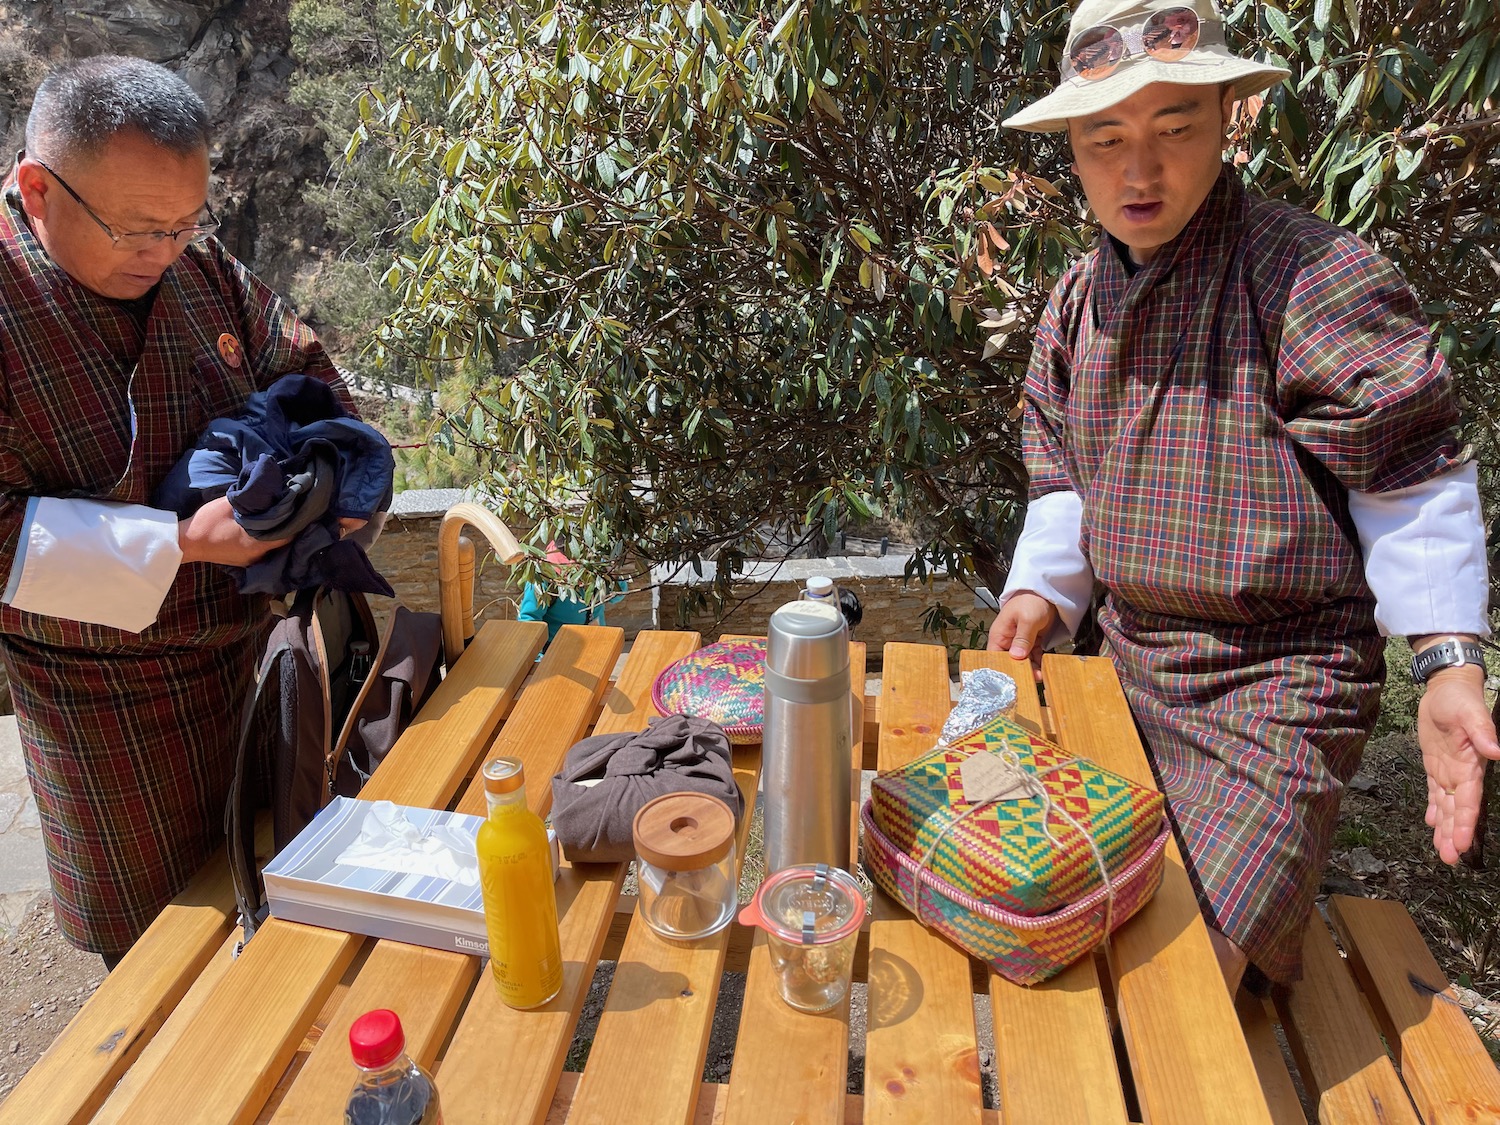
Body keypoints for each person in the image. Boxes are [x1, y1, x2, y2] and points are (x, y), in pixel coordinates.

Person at [989, 0, 1497, 994]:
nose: (1141, 171)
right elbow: (1061, 472)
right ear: (1074, 153)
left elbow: (1411, 475)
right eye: (1107, 140)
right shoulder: (1074, 302)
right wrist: (1043, 593)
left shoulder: (1313, 275)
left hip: (1279, 684)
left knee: (1178, 980)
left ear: (1229, 119)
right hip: (1126, 661)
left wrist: (1445, 666)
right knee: (1059, 915)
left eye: (1175, 128)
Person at [0, 56, 365, 966]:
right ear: (37, 188)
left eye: (183, 223)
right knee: (159, 950)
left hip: (245, 653)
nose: (163, 251)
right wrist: (179, 543)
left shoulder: (198, 266)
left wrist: (335, 483)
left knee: (275, 882)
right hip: (104, 708)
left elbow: (308, 371)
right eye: (135, 229)